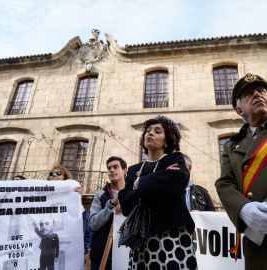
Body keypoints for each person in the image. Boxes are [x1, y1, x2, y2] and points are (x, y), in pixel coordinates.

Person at [118, 115, 197, 270]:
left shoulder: (175, 159)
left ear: (167, 141)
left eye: (157, 131)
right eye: (148, 130)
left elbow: (175, 181)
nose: (150, 133)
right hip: (140, 237)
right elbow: (125, 203)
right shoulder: (134, 169)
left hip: (172, 234)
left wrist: (138, 184)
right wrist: (158, 180)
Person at [215, 73, 267, 270]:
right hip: (257, 236)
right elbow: (225, 183)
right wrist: (243, 209)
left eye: (262, 91)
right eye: (249, 94)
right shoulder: (232, 146)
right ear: (239, 110)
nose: (258, 95)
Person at [89, 156, 127, 270]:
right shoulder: (100, 195)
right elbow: (93, 224)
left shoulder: (133, 193)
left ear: (125, 170)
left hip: (126, 253)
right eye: (109, 168)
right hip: (102, 255)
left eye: (115, 167)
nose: (111, 170)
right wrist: (111, 205)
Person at [48, 165, 92, 261]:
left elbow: (88, 230)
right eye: (52, 173)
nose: (54, 174)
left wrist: (83, 250)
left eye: (59, 173)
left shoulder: (78, 207)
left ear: (66, 178)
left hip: (71, 256)